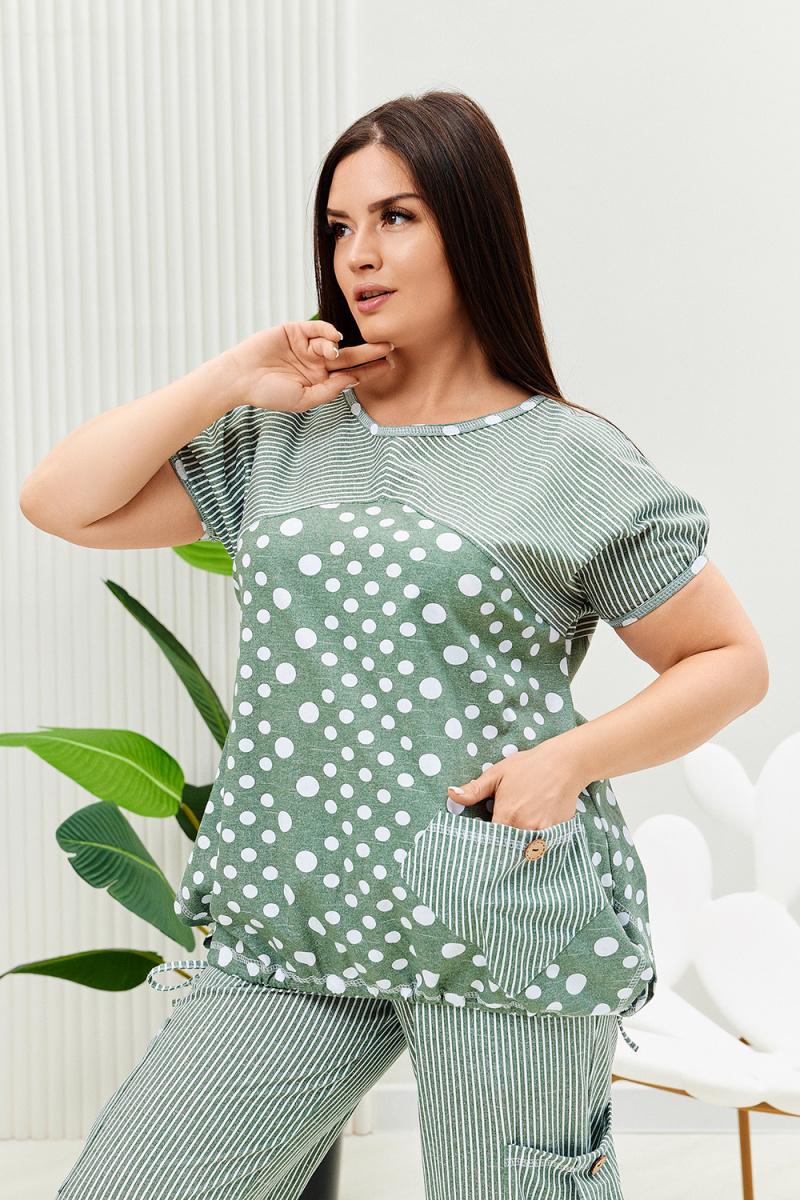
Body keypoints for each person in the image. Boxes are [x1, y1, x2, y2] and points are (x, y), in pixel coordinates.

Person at [21, 91, 767, 1200]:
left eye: (396, 217)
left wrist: (567, 761)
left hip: (495, 906)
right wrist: (231, 377)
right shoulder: (285, 437)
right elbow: (60, 502)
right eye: (339, 227)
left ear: (472, 226)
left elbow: (728, 660)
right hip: (294, 914)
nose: (358, 255)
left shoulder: (570, 462)